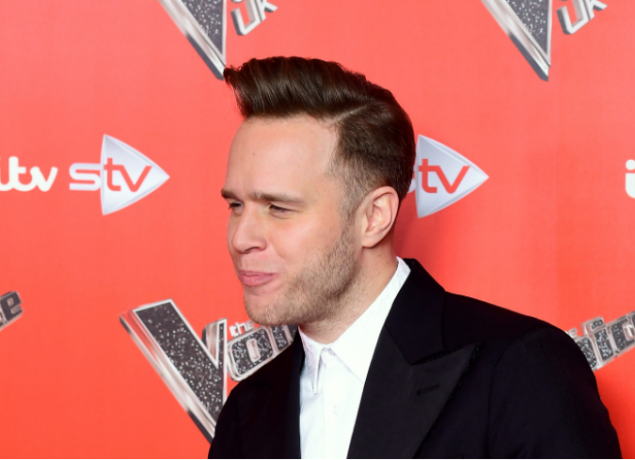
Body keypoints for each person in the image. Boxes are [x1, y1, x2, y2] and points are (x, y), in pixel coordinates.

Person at [209, 56, 621, 459]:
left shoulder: (519, 370)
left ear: (374, 217)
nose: (241, 238)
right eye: (236, 206)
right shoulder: (246, 411)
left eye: (278, 208)